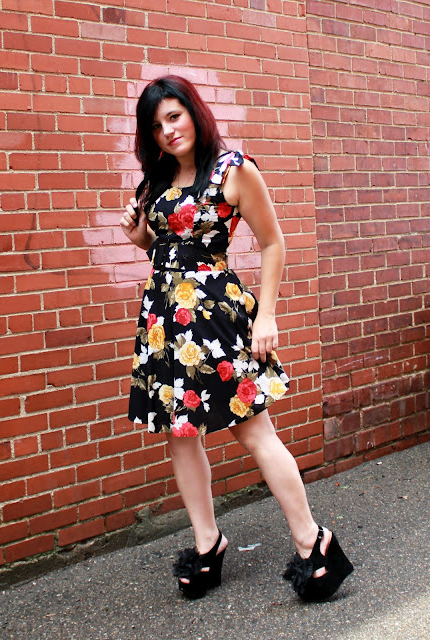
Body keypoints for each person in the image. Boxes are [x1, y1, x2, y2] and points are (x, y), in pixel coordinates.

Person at [119, 76, 353, 602]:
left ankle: (313, 542)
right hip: (164, 322)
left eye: (174, 116)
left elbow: (273, 243)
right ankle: (208, 544)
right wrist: (142, 240)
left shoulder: (233, 169)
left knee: (252, 431)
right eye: (156, 126)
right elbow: (168, 251)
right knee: (181, 434)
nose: (167, 131)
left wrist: (266, 316)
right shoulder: (157, 181)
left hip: (215, 318)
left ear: (194, 113)